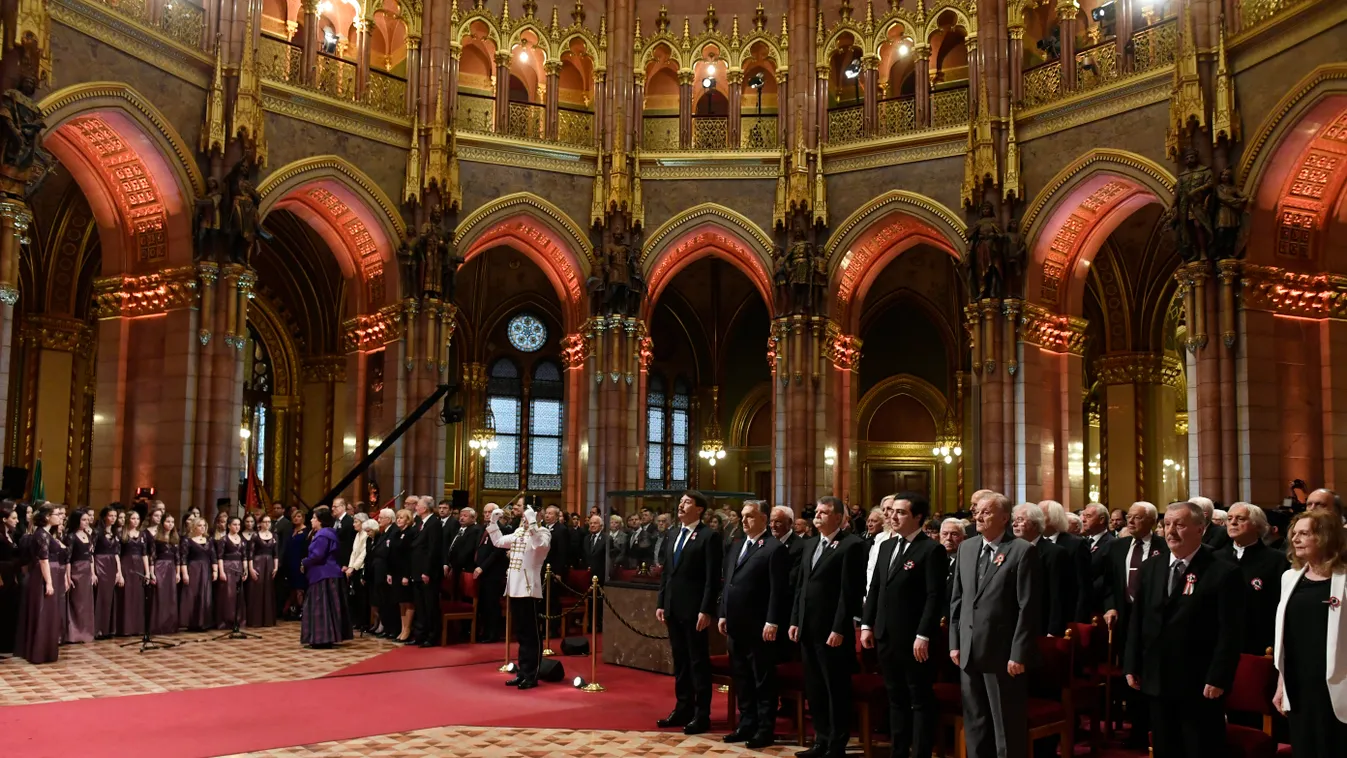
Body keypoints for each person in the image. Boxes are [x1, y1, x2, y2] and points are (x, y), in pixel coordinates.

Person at [1124, 501, 1243, 758]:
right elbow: (1138, 620)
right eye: (1167, 524)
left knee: (1199, 747)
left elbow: (1230, 632)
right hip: (1157, 676)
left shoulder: (1223, 570)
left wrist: (1218, 676)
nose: (1170, 531)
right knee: (1166, 746)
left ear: (1200, 528)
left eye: (1179, 525)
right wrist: (1132, 664)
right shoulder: (1151, 567)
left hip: (1199, 681)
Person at [949, 492, 1039, 758]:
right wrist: (955, 644)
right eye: (977, 511)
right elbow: (958, 600)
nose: (978, 516)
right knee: (975, 723)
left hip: (1003, 654)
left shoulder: (1022, 551)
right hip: (968, 651)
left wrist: (1018, 653)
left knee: (1005, 726)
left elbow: (1028, 607)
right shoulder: (966, 548)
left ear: (1004, 517)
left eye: (986, 512)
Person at [860, 492, 946, 758]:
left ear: (918, 517)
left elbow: (935, 596)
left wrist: (923, 634)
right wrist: (866, 625)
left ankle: (920, 753)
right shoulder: (886, 546)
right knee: (895, 698)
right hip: (886, 635)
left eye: (901, 512)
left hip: (915, 639)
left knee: (919, 700)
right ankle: (898, 752)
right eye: (892, 511)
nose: (893, 517)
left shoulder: (931, 549)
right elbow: (875, 588)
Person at [789, 496, 865, 758]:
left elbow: (849, 592)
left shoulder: (851, 545)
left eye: (824, 512)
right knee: (815, 687)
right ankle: (820, 739)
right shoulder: (810, 544)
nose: (817, 516)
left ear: (839, 518)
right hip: (808, 628)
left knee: (835, 688)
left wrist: (839, 627)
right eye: (817, 511)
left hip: (833, 630)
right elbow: (802, 586)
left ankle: (836, 743)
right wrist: (795, 620)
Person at [1273, 509, 1347, 756]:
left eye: (1304, 533)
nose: (1295, 539)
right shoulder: (1289, 577)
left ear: (1325, 537)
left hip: (1338, 683)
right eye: (1294, 534)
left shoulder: (1344, 579)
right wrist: (1281, 683)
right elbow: (1287, 638)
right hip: (1299, 683)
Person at [718, 500, 790, 749]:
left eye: (750, 516)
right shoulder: (737, 546)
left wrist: (772, 620)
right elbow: (729, 582)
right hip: (736, 624)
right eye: (742, 516)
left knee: (762, 679)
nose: (745, 521)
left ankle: (764, 728)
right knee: (742, 678)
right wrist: (723, 613)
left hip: (760, 626)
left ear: (763, 518)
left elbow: (778, 590)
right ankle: (746, 723)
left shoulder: (773, 548)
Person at [656, 490, 724, 735]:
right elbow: (667, 573)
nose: (681, 506)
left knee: (697, 662)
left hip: (695, 610)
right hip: (674, 607)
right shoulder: (673, 533)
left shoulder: (709, 536)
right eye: (681, 502)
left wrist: (706, 609)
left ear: (700, 509)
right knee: (681, 662)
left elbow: (711, 577)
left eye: (687, 503)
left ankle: (701, 714)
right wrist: (661, 602)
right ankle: (682, 707)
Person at [1100, 502, 1166, 748]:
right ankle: (1137, 730)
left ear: (1151, 521)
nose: (1130, 521)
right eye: (1129, 517)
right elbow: (1109, 583)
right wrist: (1110, 606)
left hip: (1156, 620)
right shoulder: (1117, 547)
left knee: (1153, 674)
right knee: (1131, 672)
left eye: (1137, 518)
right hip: (1127, 620)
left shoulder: (1163, 546)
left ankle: (1154, 729)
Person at [486, 498, 551, 688]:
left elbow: (539, 545)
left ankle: (532, 674)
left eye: (528, 515)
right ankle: (523, 672)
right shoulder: (519, 532)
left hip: (529, 587)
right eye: (524, 516)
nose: (523, 518)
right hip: (514, 587)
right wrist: (493, 522)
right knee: (521, 634)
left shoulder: (543, 532)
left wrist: (533, 523)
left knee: (531, 634)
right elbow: (498, 542)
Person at [1218, 503, 1290, 654]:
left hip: (1259, 642)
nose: (1233, 522)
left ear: (1258, 525)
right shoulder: (1215, 558)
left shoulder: (1277, 560)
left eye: (1240, 518)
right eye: (1230, 518)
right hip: (1220, 641)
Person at [17, 506, 67, 664]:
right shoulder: (41, 534)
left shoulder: (46, 533)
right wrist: (49, 583)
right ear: (46, 517)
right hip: (43, 576)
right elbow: (43, 560)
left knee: (48, 614)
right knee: (43, 613)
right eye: (56, 514)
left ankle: (45, 651)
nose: (60, 517)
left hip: (48, 574)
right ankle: (39, 652)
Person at [301, 506, 353, 649]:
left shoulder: (323, 535)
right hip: (329, 573)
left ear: (320, 521)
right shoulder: (329, 532)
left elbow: (318, 555)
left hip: (323, 575)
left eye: (313, 518)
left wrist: (304, 561)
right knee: (329, 607)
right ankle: (327, 637)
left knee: (321, 608)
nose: (311, 520)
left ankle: (321, 638)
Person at [408, 495, 444, 647]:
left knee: (430, 606)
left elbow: (433, 550)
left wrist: (427, 572)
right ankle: (420, 635)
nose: (416, 507)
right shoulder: (420, 523)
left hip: (428, 572)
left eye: (418, 505)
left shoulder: (434, 523)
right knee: (420, 606)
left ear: (425, 508)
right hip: (417, 570)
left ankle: (432, 636)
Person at [475, 503, 507, 643]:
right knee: (483, 604)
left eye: (490, 512)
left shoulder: (502, 529)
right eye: (485, 512)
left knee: (492, 604)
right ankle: (485, 631)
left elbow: (497, 552)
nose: (487, 514)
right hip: (481, 572)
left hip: (493, 572)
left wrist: (483, 567)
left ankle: (493, 633)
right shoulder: (483, 528)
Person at [64, 509, 96, 644]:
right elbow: (68, 559)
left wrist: (93, 573)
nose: (86, 522)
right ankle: (74, 633)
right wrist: (68, 577)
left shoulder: (88, 535)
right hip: (76, 570)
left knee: (86, 603)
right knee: (77, 603)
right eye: (83, 519)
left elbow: (90, 557)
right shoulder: (71, 536)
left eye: (87, 519)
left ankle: (85, 632)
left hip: (87, 571)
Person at [179, 516, 216, 631]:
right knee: (192, 595)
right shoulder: (187, 540)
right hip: (193, 569)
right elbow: (183, 558)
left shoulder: (209, 540)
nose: (202, 528)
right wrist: (185, 574)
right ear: (194, 527)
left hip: (206, 569)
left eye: (204, 525)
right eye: (199, 526)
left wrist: (215, 570)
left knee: (205, 594)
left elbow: (213, 556)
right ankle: (192, 622)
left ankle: (203, 622)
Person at [92, 506, 123, 639]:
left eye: (115, 516)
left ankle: (109, 628)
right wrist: (93, 572)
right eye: (110, 515)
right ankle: (98, 628)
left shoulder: (116, 533)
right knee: (101, 595)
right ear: (105, 516)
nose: (113, 518)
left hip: (112, 564)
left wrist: (119, 572)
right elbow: (91, 552)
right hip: (100, 563)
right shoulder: (97, 532)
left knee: (110, 596)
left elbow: (117, 554)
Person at [149, 514, 179, 635]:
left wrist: (178, 573)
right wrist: (152, 573)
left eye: (172, 522)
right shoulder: (156, 538)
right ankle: (158, 625)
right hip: (160, 567)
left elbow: (177, 557)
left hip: (171, 568)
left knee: (170, 596)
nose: (170, 524)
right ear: (162, 523)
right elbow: (152, 556)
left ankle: (169, 625)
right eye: (168, 522)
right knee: (160, 596)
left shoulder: (175, 538)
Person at [215, 516, 247, 629]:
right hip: (227, 567)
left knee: (238, 595)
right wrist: (221, 572)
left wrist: (245, 570)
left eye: (238, 524)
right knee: (228, 595)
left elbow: (244, 557)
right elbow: (219, 557)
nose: (237, 527)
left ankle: (237, 620)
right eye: (234, 524)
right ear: (229, 526)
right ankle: (226, 620)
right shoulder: (223, 540)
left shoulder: (242, 540)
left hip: (239, 568)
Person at [389, 508, 416, 641]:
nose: (399, 519)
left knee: (407, 601)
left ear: (408, 520)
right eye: (398, 517)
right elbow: (392, 553)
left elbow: (409, 556)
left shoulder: (410, 533)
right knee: (400, 602)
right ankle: (402, 628)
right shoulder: (396, 533)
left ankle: (407, 629)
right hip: (395, 571)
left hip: (405, 571)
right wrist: (389, 572)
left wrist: (406, 575)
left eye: (402, 517)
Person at [247, 514, 279, 627]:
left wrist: (276, 567)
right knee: (257, 590)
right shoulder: (255, 536)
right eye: (265, 522)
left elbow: (276, 553)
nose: (267, 524)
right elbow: (250, 554)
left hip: (270, 565)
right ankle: (256, 620)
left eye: (269, 522)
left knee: (268, 590)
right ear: (259, 523)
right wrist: (250, 568)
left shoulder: (274, 536)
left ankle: (268, 620)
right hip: (258, 564)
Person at [347, 518, 376, 631]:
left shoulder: (365, 535)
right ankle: (357, 621)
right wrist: (350, 566)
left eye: (356, 522)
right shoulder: (357, 535)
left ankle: (364, 622)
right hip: (354, 568)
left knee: (363, 597)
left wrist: (354, 567)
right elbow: (354, 553)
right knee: (356, 597)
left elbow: (363, 553)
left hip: (362, 568)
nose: (354, 524)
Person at [0, 505, 20, 655]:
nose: (17, 521)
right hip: (1, 575)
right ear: (4, 519)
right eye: (13, 518)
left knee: (8, 609)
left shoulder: (11, 535)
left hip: (11, 574)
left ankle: (6, 645)